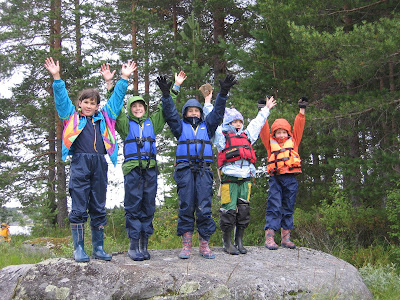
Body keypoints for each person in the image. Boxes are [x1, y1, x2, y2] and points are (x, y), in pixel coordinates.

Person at [44, 57, 136, 262]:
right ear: (79, 103)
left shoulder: (105, 117)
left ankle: (98, 248)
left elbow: (117, 99)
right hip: (79, 163)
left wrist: (124, 78)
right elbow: (61, 99)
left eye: (92, 103)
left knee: (98, 205)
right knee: (78, 206)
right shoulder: (71, 117)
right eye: (85, 102)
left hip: (99, 163)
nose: (89, 106)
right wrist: (57, 77)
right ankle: (78, 249)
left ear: (97, 106)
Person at [103, 67, 187, 261]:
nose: (138, 109)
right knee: (133, 206)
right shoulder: (124, 124)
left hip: (149, 170)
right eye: (134, 106)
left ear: (145, 108)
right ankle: (133, 245)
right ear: (130, 109)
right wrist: (110, 85)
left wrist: (175, 88)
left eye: (141, 106)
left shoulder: (153, 123)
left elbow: (166, 109)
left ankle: (144, 244)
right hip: (133, 170)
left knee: (148, 206)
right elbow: (115, 106)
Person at [158, 75, 237, 259]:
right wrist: (165, 95)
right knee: (186, 205)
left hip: (203, 170)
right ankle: (186, 245)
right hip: (184, 170)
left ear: (201, 113)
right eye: (190, 111)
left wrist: (223, 92)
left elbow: (217, 112)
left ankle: (204, 244)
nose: (194, 113)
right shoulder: (179, 127)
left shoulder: (207, 127)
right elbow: (170, 113)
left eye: (197, 111)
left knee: (204, 206)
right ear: (185, 113)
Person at [212, 97, 276, 255]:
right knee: (228, 211)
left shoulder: (247, 136)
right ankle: (227, 242)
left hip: (246, 179)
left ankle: (239, 240)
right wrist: (208, 105)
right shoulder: (222, 137)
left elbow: (257, 123)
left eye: (240, 121)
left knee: (244, 211)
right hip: (229, 180)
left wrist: (266, 109)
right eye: (234, 122)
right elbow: (211, 122)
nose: (238, 124)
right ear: (228, 123)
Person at [260, 97, 308, 250]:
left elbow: (299, 125)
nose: (281, 135)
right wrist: (263, 108)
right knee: (274, 206)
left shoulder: (294, 142)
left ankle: (286, 237)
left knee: (288, 206)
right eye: (278, 133)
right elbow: (263, 128)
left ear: (288, 133)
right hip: (276, 178)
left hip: (290, 178)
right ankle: (269, 237)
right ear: (274, 134)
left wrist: (302, 110)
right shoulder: (270, 143)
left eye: (283, 132)